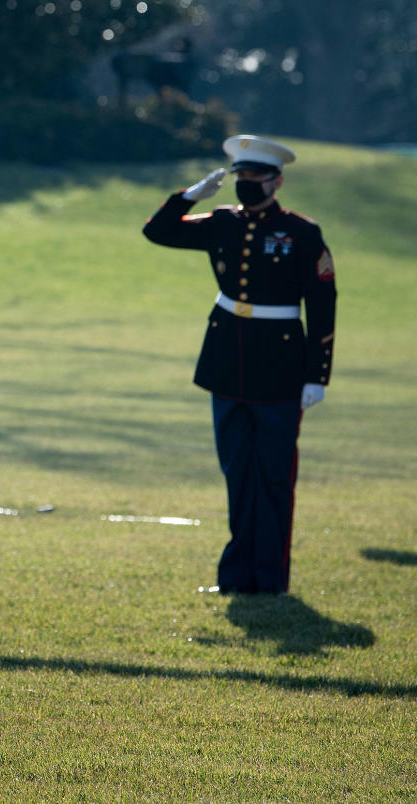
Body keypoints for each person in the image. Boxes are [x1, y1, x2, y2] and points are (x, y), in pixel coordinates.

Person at [142, 134, 337, 594]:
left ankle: (270, 580)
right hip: (227, 363)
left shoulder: (303, 234)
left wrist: (316, 376)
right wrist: (189, 197)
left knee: (272, 477)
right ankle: (235, 577)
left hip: (280, 368)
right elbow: (157, 232)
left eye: (255, 177)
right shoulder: (222, 223)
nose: (246, 184)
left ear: (277, 181)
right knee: (237, 473)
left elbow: (323, 307)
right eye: (241, 176)